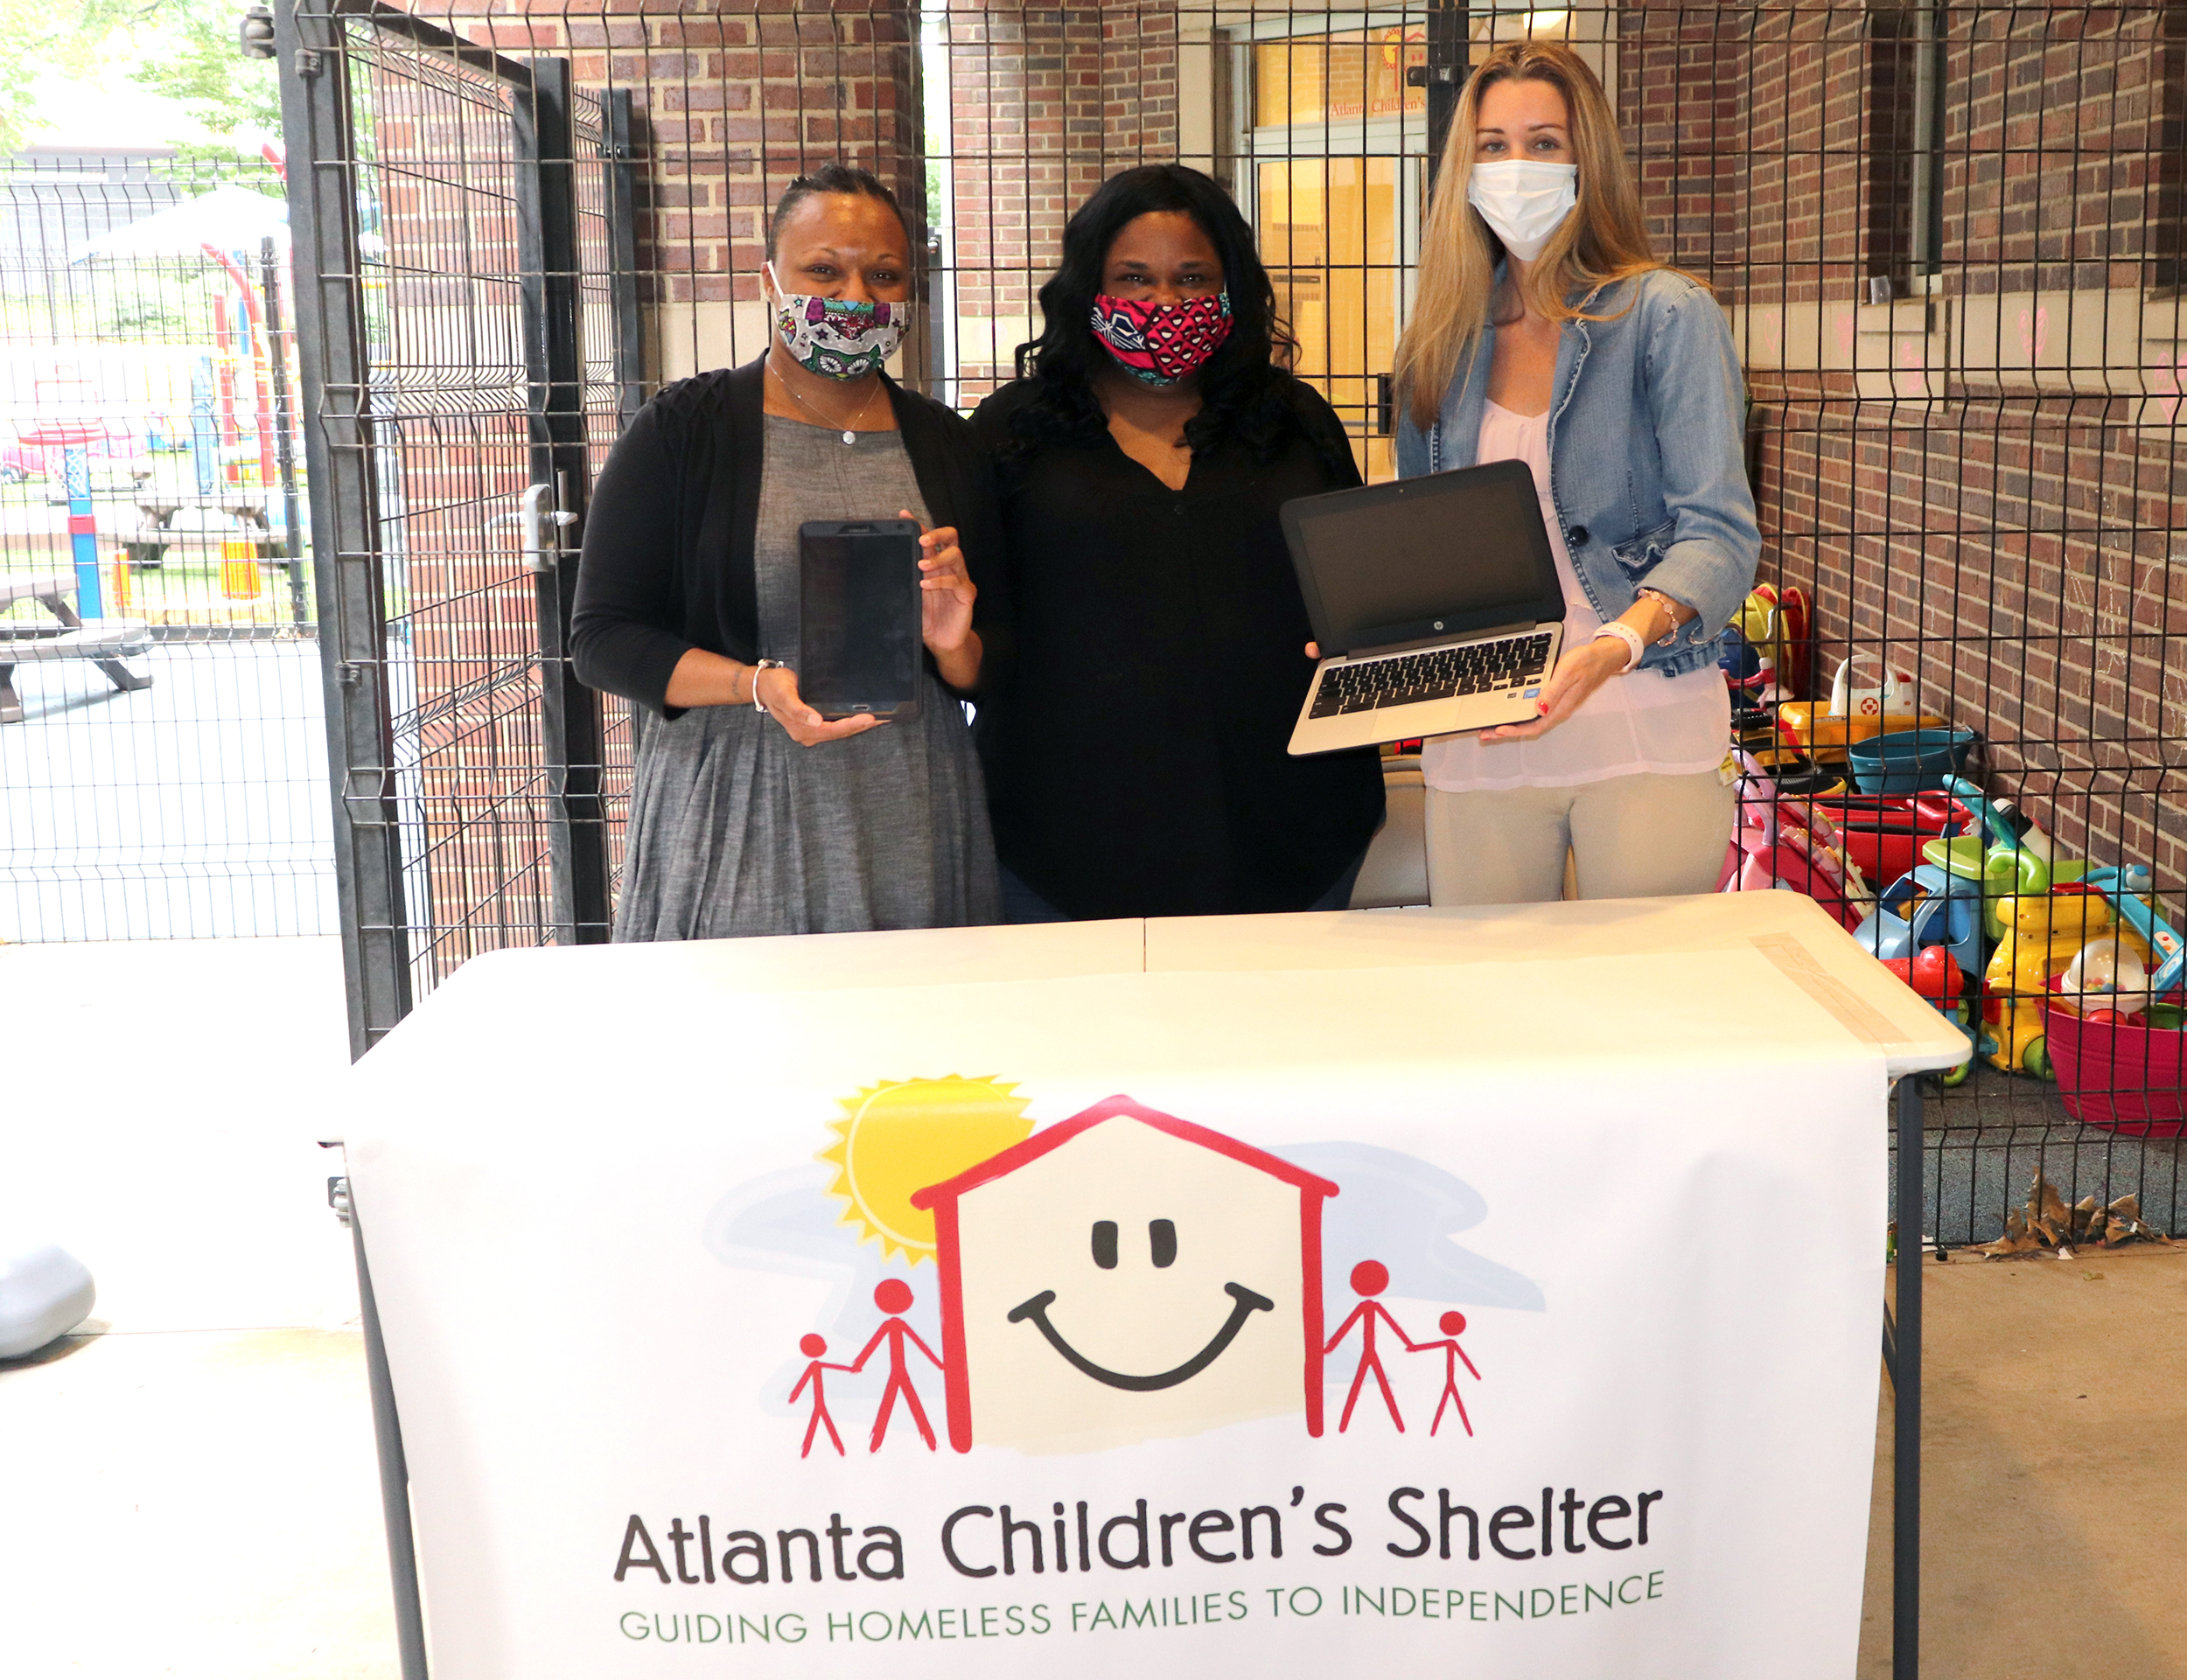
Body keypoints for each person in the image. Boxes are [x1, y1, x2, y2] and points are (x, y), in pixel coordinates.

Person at [571, 164, 1007, 939]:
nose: (854, 298)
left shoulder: (949, 444)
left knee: (915, 1046)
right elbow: (602, 641)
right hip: (735, 807)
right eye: (823, 270)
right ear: (769, 279)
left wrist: (956, 643)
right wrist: (754, 683)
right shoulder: (682, 432)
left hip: (914, 808)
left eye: (883, 275)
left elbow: (993, 662)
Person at [1393, 41, 1759, 905]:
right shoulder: (1438, 343)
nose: (1515, 167)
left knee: (1638, 1014)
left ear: (1586, 160)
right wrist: (1372, 633)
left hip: (1641, 722)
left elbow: (1720, 539)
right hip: (1480, 729)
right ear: (1463, 168)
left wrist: (1611, 647)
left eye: (1544, 142)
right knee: (1491, 1011)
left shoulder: (1666, 316)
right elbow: (1425, 545)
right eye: (1491, 146)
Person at [970, 164, 1384, 922]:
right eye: (1134, 278)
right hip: (1061, 848)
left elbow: (1358, 598)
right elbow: (975, 632)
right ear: (1088, 285)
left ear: (1230, 289)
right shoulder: (1010, 432)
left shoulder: (1295, 421)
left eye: (1192, 279)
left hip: (1294, 831)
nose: (1164, 302)